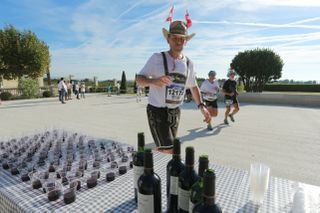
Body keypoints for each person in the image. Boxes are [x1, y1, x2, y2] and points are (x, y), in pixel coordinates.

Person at [136, 20, 211, 154]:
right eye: (174, 38)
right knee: (171, 150)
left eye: (181, 39)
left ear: (186, 41)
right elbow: (139, 80)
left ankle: (147, 157)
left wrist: (202, 107)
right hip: (157, 110)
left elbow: (193, 87)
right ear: (168, 39)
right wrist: (154, 82)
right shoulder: (157, 58)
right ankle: (153, 162)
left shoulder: (189, 63)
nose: (178, 41)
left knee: (165, 149)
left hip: (175, 112)